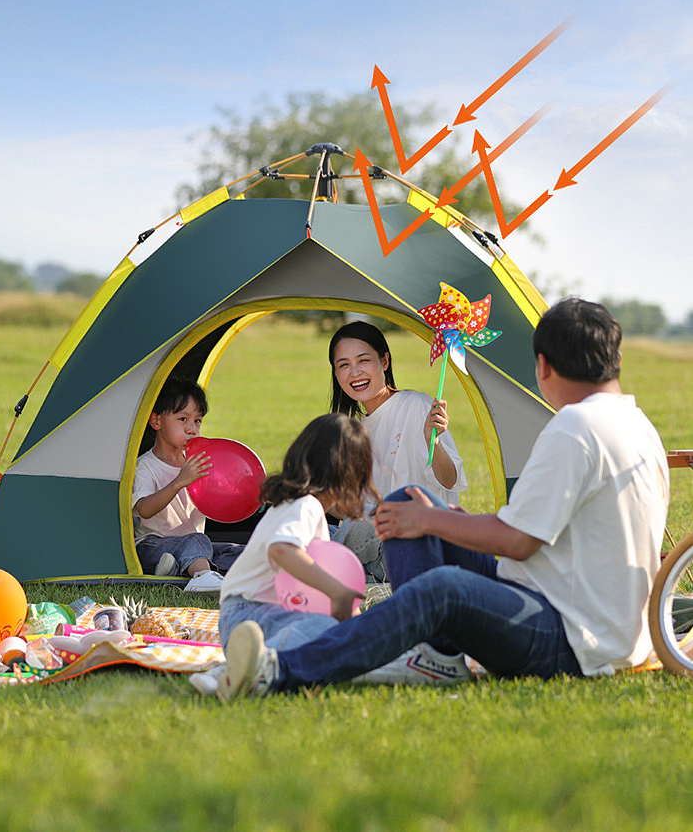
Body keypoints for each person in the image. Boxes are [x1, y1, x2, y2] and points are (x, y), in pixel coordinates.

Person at [218, 299, 670, 698]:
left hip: (572, 639)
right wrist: (432, 516)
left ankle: (282, 670)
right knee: (405, 502)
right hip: (577, 611)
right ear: (617, 357)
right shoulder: (636, 425)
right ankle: (437, 657)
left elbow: (518, 541)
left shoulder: (576, 429)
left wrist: (432, 523)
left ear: (544, 367)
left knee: (441, 587)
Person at [216, 414, 379, 655]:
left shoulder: (302, 507)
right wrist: (337, 591)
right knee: (323, 629)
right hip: (247, 614)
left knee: (342, 635)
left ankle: (265, 662)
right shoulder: (305, 506)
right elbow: (281, 550)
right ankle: (245, 667)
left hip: (263, 616)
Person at [327, 321, 466, 580]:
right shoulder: (353, 430)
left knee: (369, 524)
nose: (354, 372)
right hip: (378, 548)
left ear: (385, 361)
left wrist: (432, 442)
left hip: (421, 544)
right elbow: (351, 508)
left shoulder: (416, 405)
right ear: (336, 374)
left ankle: (326, 571)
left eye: (363, 360)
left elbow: (450, 480)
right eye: (343, 365)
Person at [132, 375, 231, 592]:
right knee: (194, 542)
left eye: (197, 421)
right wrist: (179, 482)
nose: (192, 429)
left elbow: (215, 503)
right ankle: (203, 576)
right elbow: (144, 510)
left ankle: (173, 569)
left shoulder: (198, 463)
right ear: (156, 421)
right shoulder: (146, 466)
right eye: (183, 419)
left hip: (194, 546)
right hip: (152, 545)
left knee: (231, 551)